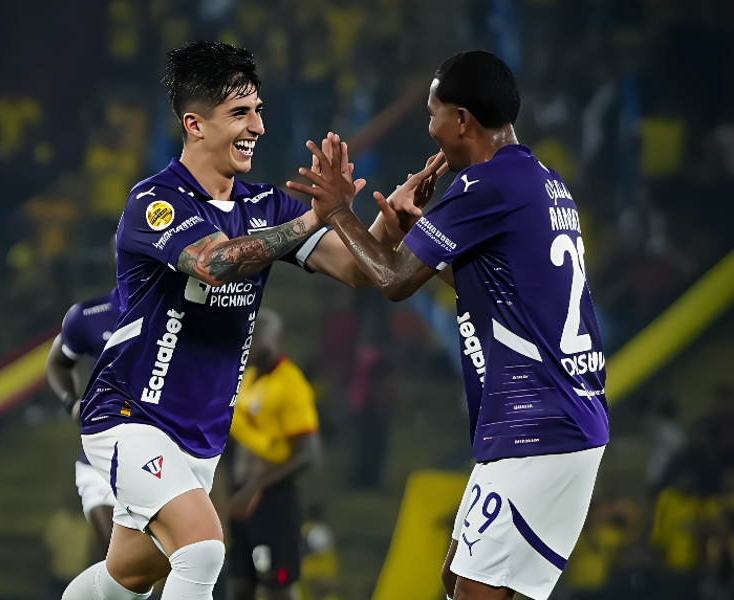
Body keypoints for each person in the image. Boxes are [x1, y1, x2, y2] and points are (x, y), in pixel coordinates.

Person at [62, 41, 444, 600]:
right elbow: (215, 264)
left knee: (130, 576)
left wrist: (392, 224)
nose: (258, 127)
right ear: (194, 124)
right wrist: (315, 216)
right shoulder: (155, 202)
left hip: (199, 436)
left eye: (258, 111)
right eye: (240, 113)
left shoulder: (264, 205)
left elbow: (355, 270)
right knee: (202, 548)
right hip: (129, 415)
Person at [287, 50, 610, 600]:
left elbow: (392, 281)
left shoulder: (484, 185)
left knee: (475, 591)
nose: (430, 128)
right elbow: (499, 289)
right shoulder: (543, 181)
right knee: (456, 575)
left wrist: (339, 210)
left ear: (461, 120)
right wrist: (425, 243)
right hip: (559, 416)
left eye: (433, 113)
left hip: (537, 425)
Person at [227, 308, 320, 600]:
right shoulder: (247, 378)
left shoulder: (291, 384)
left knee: (277, 584)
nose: (245, 343)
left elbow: (308, 454)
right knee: (241, 583)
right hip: (241, 496)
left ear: (270, 337)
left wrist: (256, 486)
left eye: (252, 336)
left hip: (272, 500)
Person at [46, 288, 121, 554]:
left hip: (159, 455)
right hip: (98, 459)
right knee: (119, 560)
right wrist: (71, 403)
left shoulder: (175, 309)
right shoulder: (88, 314)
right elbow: (57, 362)